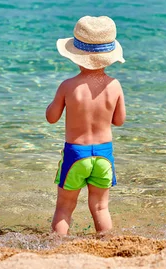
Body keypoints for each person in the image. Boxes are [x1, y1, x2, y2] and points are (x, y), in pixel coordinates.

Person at [46, 15, 126, 236]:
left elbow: (51, 118)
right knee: (101, 207)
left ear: (76, 56)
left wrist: (54, 104)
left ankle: (56, 247)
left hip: (76, 154)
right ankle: (108, 243)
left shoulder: (68, 86)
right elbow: (119, 120)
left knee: (64, 207)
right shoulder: (115, 86)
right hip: (103, 155)